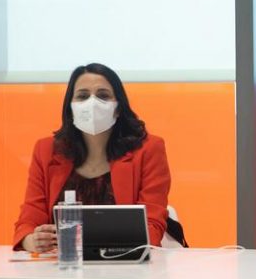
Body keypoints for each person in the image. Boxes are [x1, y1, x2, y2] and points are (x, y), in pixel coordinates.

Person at [13, 63, 171, 252]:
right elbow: (28, 221)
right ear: (70, 108)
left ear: (119, 108)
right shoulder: (46, 150)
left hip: (124, 263)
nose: (92, 103)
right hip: (64, 263)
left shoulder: (148, 149)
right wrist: (32, 240)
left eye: (103, 95)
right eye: (82, 96)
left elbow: (152, 225)